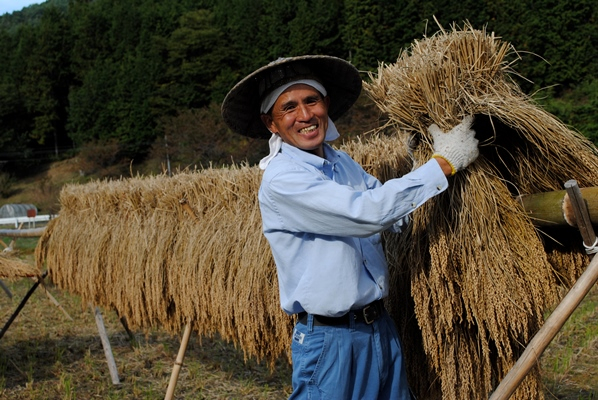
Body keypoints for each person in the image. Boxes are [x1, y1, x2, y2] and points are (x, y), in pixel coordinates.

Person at [221, 55, 479, 400]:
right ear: (272, 123)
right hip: (330, 342)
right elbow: (368, 213)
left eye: (311, 100)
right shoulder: (284, 180)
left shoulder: (340, 162)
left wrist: (420, 163)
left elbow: (388, 208)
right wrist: (443, 164)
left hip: (379, 329)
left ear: (325, 104)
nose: (305, 115)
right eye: (289, 108)